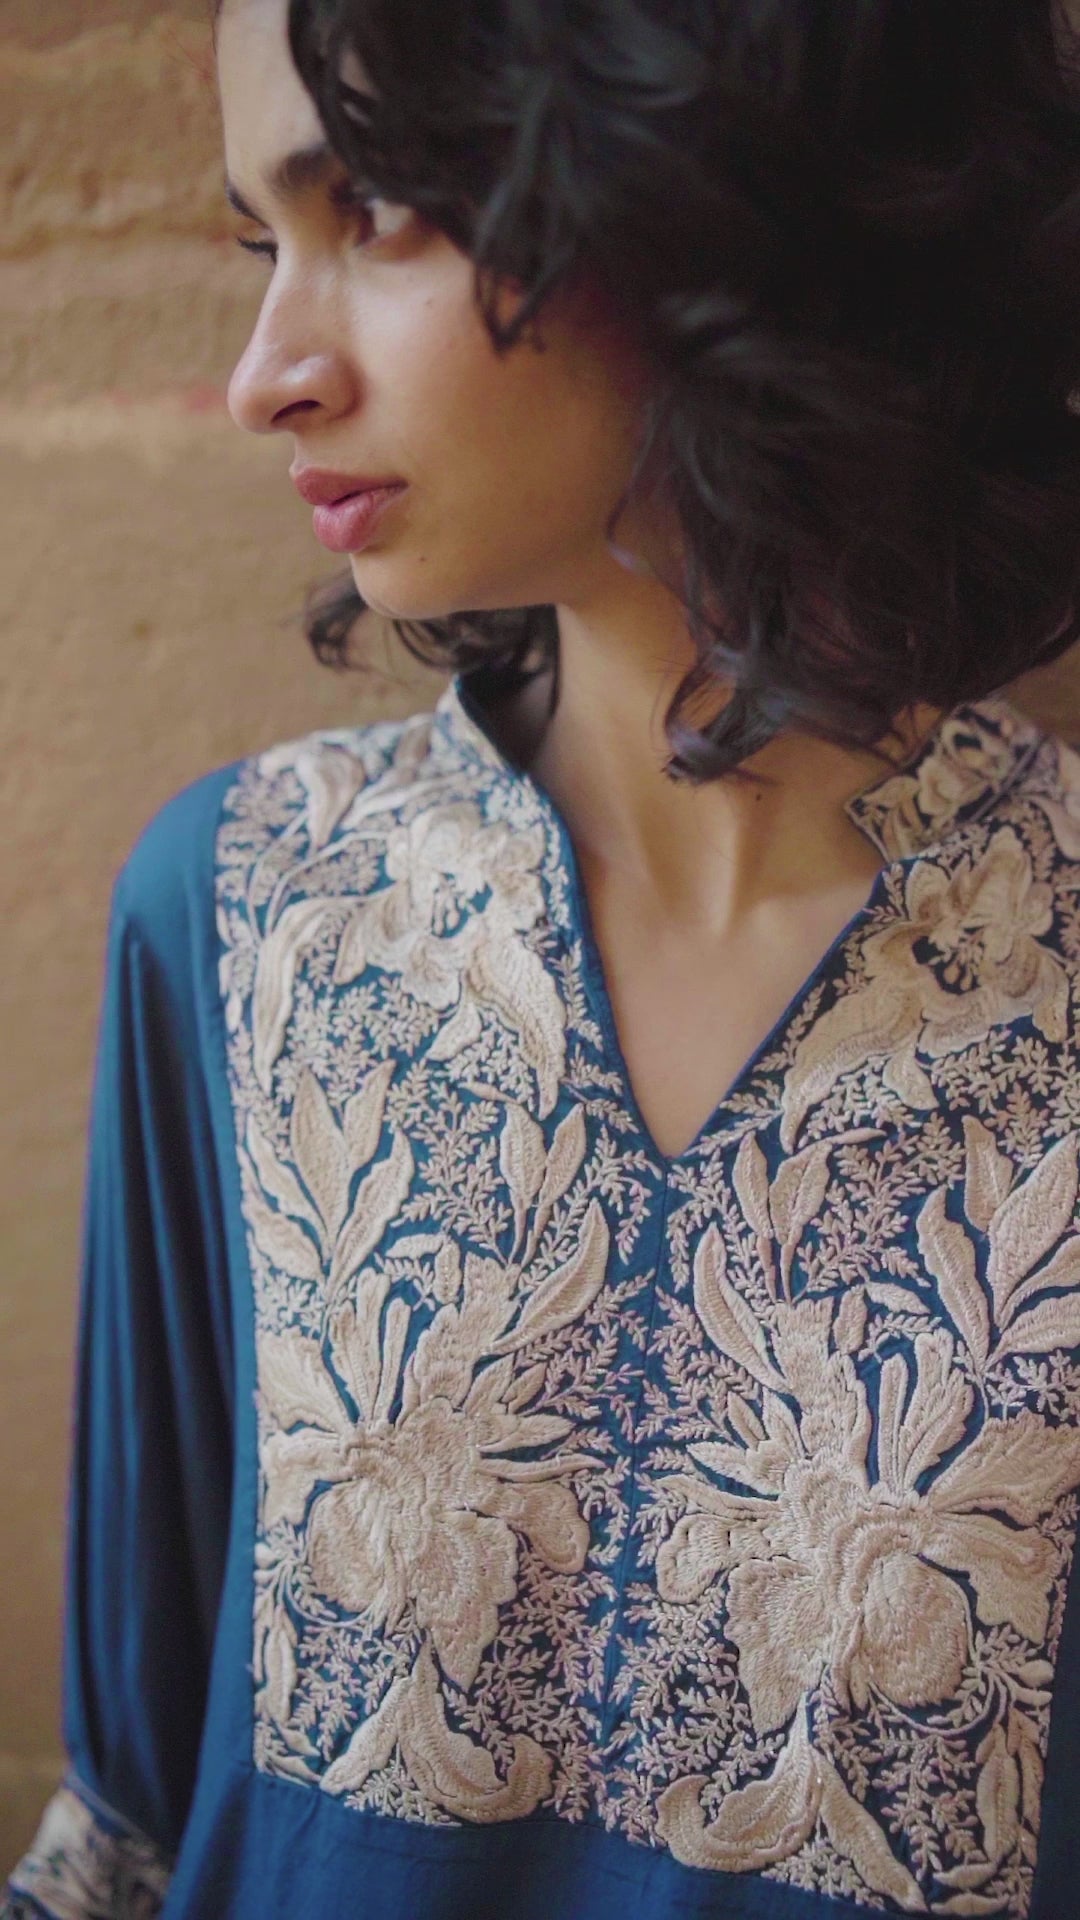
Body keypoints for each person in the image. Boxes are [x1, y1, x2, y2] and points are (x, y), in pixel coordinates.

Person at [7, 0, 1080, 1913]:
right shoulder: (246, 914)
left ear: (702, 185)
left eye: (382, 210)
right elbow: (132, 1820)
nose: (264, 376)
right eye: (264, 242)